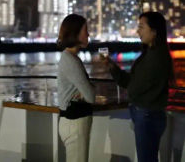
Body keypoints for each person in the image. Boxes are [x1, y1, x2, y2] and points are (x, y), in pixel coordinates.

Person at [102, 11, 174, 162]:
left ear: (154, 31)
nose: (137, 31)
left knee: (146, 159)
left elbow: (134, 86)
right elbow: (132, 82)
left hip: (147, 116)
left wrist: (130, 89)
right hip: (148, 115)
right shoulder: (152, 53)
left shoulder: (156, 57)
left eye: (141, 27)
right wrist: (113, 67)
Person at [57, 14, 95, 162]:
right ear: (75, 33)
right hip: (75, 124)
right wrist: (91, 87)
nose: (89, 34)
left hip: (71, 122)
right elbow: (91, 96)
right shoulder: (71, 61)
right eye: (86, 30)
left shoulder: (68, 58)